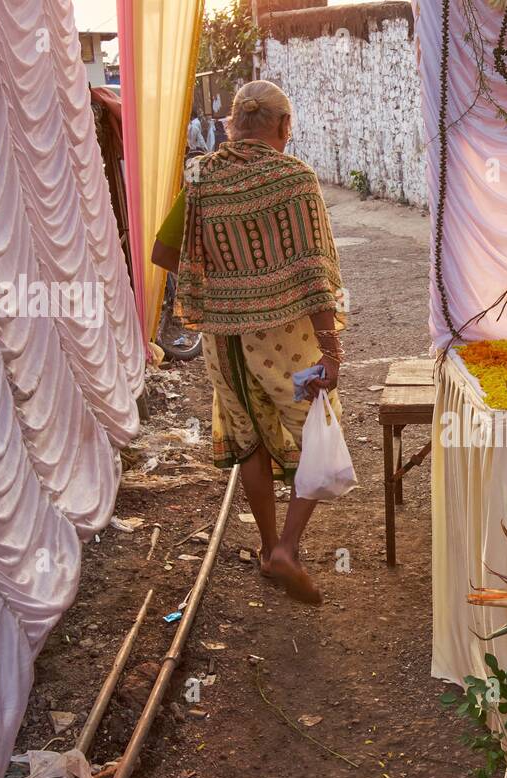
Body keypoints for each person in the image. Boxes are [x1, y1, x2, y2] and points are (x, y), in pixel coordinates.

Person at [172, 80, 346, 605]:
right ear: (284, 128)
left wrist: (226, 279)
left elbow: (165, 252)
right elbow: (315, 272)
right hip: (288, 337)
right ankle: (286, 549)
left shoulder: (202, 178)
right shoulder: (295, 179)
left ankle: (269, 546)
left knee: (248, 435)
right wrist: (331, 348)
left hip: (222, 338)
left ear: (233, 126)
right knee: (316, 429)